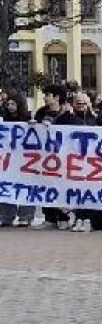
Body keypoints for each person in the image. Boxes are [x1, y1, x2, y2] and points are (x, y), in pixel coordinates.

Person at [0, 93, 33, 228]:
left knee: (26, 185)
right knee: (7, 185)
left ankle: (25, 216)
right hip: (8, 159)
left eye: (13, 104)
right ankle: (6, 216)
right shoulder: (4, 118)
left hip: (25, 159)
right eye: (8, 104)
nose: (10, 107)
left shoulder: (28, 118)